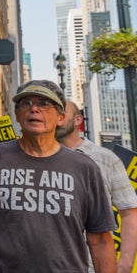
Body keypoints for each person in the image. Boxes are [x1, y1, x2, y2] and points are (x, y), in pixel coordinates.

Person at [0, 80, 118, 273]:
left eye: (44, 103)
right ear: (17, 115)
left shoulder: (85, 168)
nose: (34, 109)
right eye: (26, 103)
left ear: (60, 117)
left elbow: (100, 239)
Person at [57, 100, 137, 273]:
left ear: (78, 120)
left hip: (91, 266)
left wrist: (125, 263)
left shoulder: (106, 159)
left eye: (62, 113)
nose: (57, 117)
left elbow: (130, 212)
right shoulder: (35, 159)